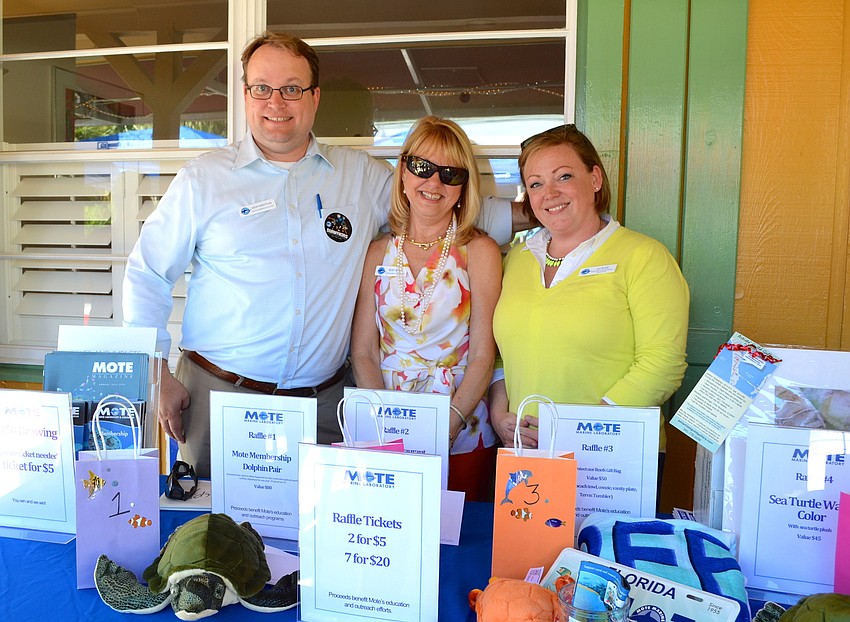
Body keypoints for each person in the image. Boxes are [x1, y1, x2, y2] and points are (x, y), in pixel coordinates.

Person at [122, 32, 515, 478]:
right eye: (262, 88)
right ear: (246, 94)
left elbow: (437, 201)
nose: (277, 101)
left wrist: (543, 210)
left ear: (314, 97)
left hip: (324, 409)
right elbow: (147, 273)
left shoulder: (359, 177)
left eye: (292, 88)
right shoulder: (204, 180)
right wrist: (156, 373)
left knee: (324, 536)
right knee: (210, 536)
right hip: (219, 399)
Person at [489, 124, 689, 477]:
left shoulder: (643, 256)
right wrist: (500, 414)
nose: (549, 193)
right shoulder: (518, 258)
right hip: (530, 455)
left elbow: (663, 364)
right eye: (535, 183)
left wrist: (583, 430)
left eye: (563, 176)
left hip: (612, 461)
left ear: (595, 178)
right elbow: (504, 354)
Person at [350, 116, 501, 501]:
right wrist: (382, 422)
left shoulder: (479, 252)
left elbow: (485, 352)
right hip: (386, 424)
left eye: (450, 174)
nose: (433, 183)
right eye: (422, 167)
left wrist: (449, 424)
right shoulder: (377, 252)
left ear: (464, 187)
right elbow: (364, 350)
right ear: (402, 172)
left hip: (461, 427)